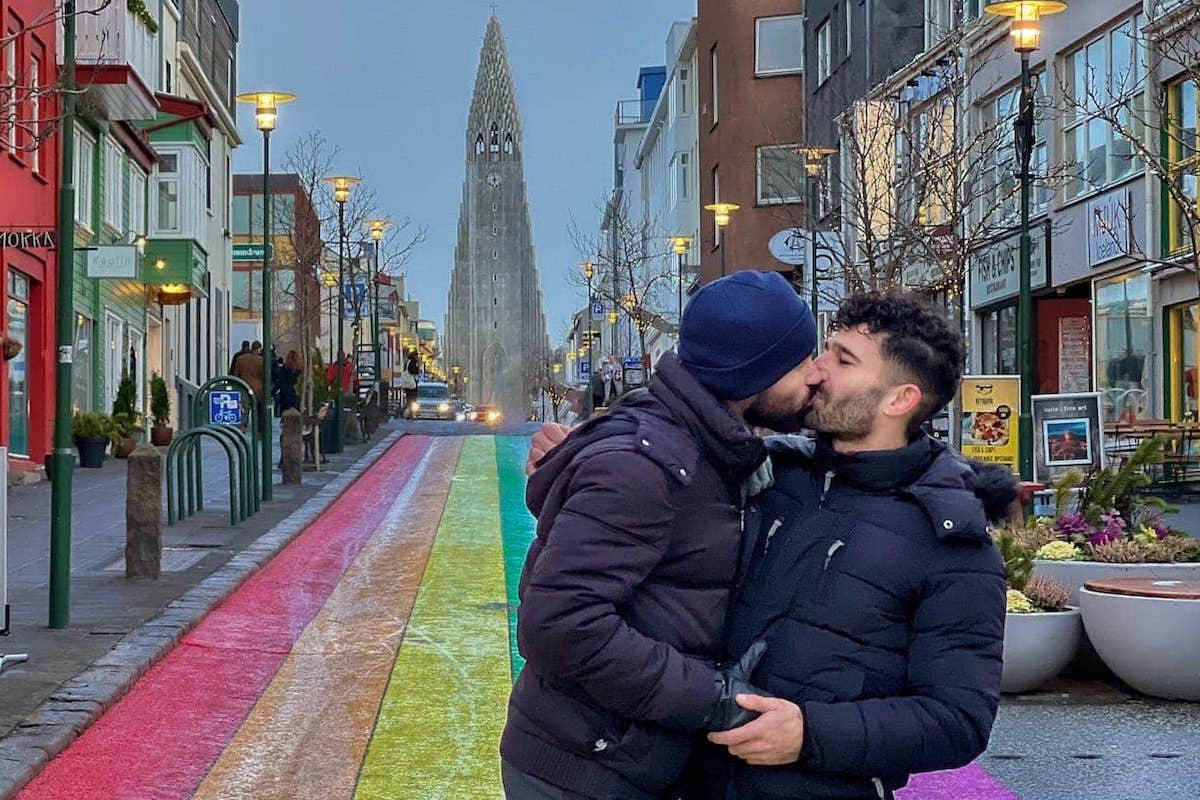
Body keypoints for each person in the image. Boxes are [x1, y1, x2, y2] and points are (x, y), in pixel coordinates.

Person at [527, 293, 1015, 800]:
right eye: (824, 350)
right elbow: (637, 497)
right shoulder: (766, 471)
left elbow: (957, 720)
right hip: (681, 779)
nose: (817, 371)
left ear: (899, 399)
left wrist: (809, 734)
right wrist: (577, 460)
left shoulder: (952, 542)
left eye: (841, 360)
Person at [501, 271, 819, 800]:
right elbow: (559, 624)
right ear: (752, 373)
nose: (815, 375)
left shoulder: (710, 445)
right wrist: (715, 698)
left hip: (631, 758)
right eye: (801, 360)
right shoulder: (644, 466)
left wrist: (972, 485)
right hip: (587, 769)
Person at [231, 340, 265, 434]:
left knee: (244, 408)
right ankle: (259, 429)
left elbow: (236, 374)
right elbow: (264, 375)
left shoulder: (240, 359)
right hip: (258, 389)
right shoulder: (261, 360)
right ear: (258, 349)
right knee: (258, 409)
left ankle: (243, 426)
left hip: (244, 387)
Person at [274, 350, 303, 415]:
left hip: (284, 399)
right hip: (295, 399)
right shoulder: (298, 372)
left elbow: (279, 384)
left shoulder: (282, 371)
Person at [404, 352, 421, 418]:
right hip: (411, 383)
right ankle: (412, 413)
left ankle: (410, 412)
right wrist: (417, 370)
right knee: (413, 398)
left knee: (408, 398)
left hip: (407, 383)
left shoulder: (407, 362)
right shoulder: (413, 362)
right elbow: (412, 371)